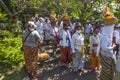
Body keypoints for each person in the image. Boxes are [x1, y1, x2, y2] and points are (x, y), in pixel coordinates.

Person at [100, 6, 117, 80]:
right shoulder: (105, 36)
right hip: (106, 56)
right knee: (106, 72)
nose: (112, 29)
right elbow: (104, 48)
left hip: (109, 55)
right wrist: (112, 47)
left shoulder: (107, 35)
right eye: (111, 28)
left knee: (109, 72)